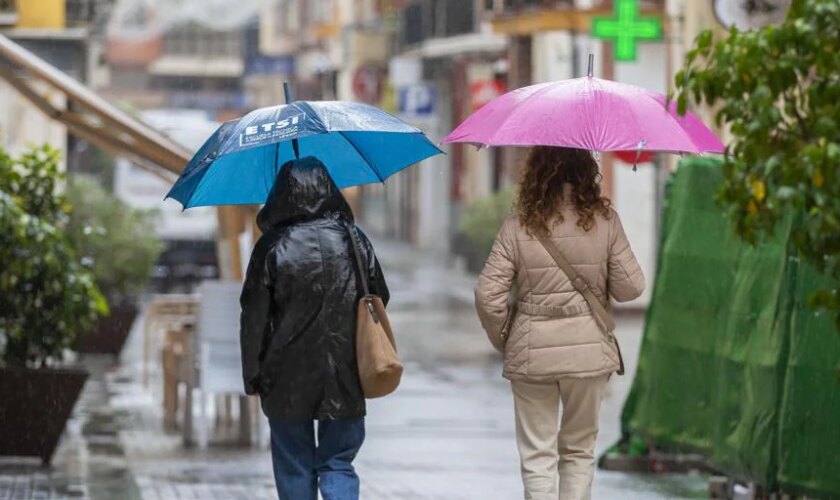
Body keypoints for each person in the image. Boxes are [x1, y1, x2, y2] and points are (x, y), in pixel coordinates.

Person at [474, 146, 645, 500]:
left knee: (538, 455)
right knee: (579, 450)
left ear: (535, 174)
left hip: (531, 351)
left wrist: (505, 340)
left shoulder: (518, 225)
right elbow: (633, 288)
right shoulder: (605, 221)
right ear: (586, 172)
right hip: (588, 351)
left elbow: (487, 295)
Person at [239, 156, 389, 500]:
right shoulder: (354, 239)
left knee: (295, 465)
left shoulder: (271, 247)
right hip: (345, 371)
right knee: (338, 462)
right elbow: (380, 296)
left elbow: (253, 317)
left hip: (285, 376)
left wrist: (253, 375)